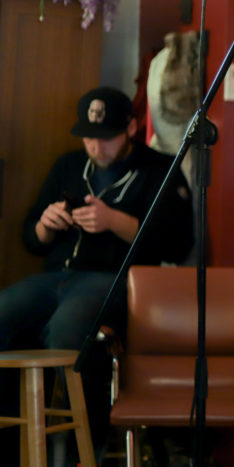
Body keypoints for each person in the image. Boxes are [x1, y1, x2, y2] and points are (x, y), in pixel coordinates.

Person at [0, 86, 195, 464]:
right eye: (89, 137)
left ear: (132, 128)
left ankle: (81, 451)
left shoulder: (160, 168)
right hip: (55, 276)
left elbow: (178, 246)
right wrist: (46, 225)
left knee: (69, 332)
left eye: (107, 138)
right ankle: (14, 447)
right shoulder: (69, 166)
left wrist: (116, 222)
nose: (96, 146)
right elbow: (31, 239)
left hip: (117, 280)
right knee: (3, 315)